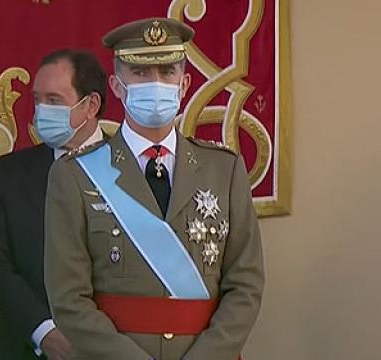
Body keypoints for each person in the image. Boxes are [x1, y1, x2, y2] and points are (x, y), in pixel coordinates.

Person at [44, 17, 264, 360]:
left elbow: (245, 285)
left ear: (185, 83)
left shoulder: (225, 169)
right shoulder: (74, 175)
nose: (156, 84)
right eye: (141, 73)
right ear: (117, 85)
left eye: (167, 72)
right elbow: (68, 300)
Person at [0, 49, 107, 360]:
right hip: (25, 348)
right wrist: (44, 332)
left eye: (54, 100)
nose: (41, 111)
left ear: (91, 105)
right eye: (37, 99)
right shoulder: (6, 175)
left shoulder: (132, 169)